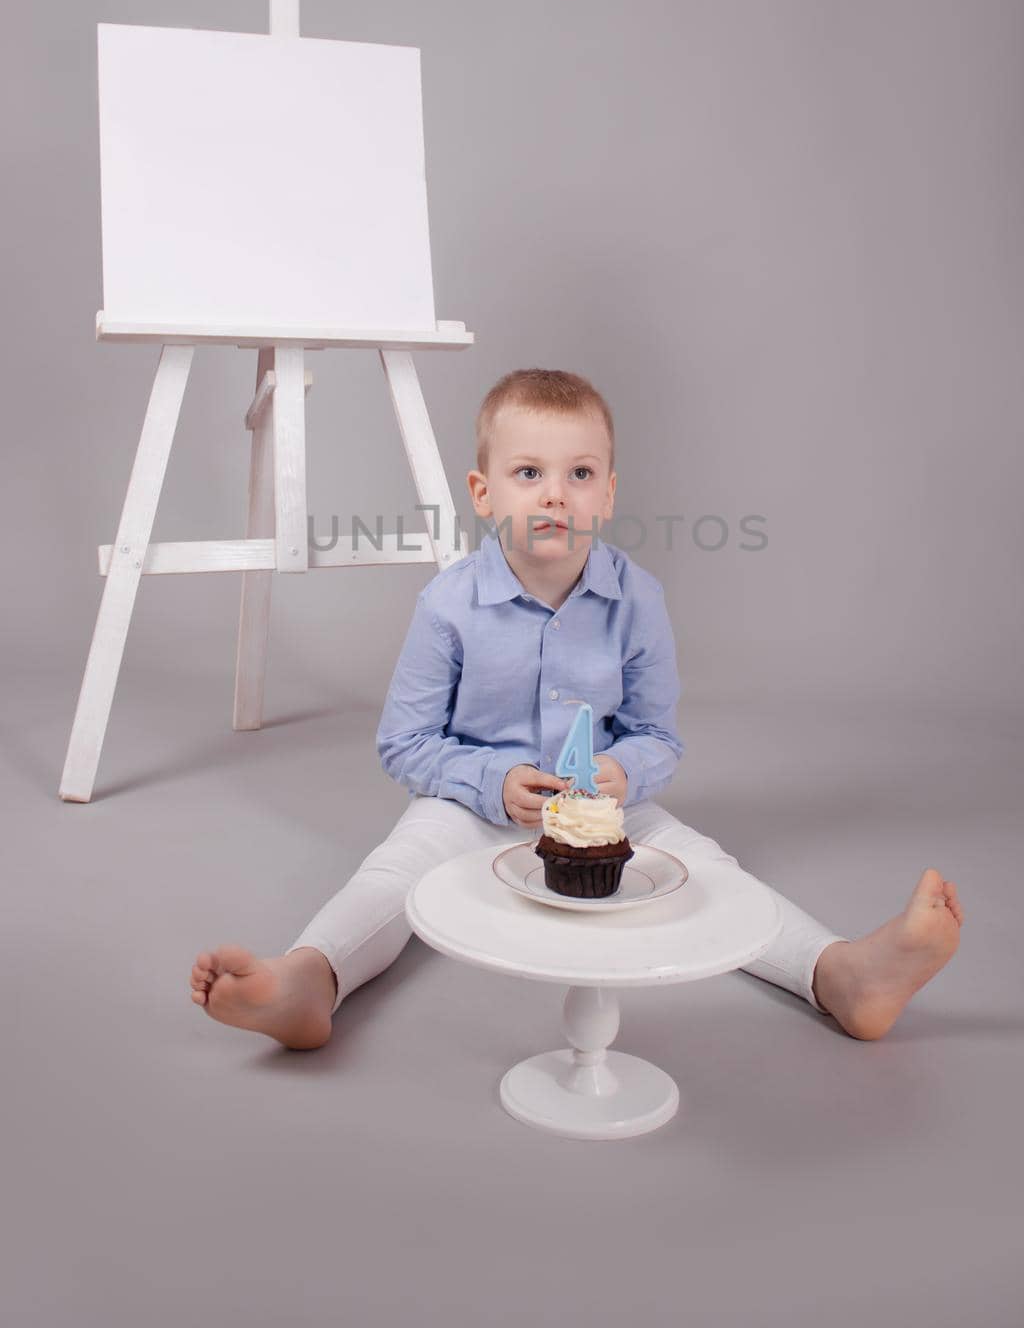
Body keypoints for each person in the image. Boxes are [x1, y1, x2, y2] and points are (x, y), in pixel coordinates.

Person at [189, 368, 963, 1050]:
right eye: (528, 472)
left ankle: (841, 976)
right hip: (468, 804)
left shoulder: (638, 601)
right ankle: (306, 982)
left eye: (580, 472)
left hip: (600, 810)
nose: (556, 492)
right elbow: (405, 743)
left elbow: (659, 735)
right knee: (392, 875)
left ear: (610, 493)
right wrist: (495, 783)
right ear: (483, 492)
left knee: (706, 867)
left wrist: (621, 772)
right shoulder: (449, 604)